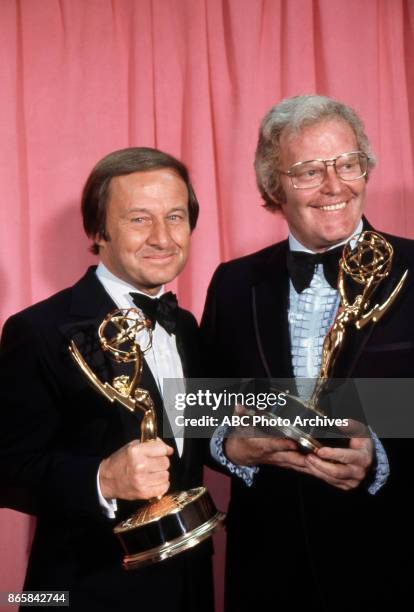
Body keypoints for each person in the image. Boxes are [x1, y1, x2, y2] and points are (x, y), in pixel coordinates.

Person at [201, 95, 414, 611]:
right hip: (268, 570)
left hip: (394, 564)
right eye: (308, 171)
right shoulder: (232, 283)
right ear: (274, 188)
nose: (335, 186)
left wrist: (380, 453)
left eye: (348, 163)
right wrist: (228, 445)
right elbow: (204, 401)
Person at [0, 147, 214, 611]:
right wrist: (102, 479)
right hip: (82, 591)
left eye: (175, 216)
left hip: (189, 589)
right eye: (139, 219)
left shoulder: (188, 326)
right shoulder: (36, 331)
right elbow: (8, 468)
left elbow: (198, 432)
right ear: (99, 231)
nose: (163, 237)